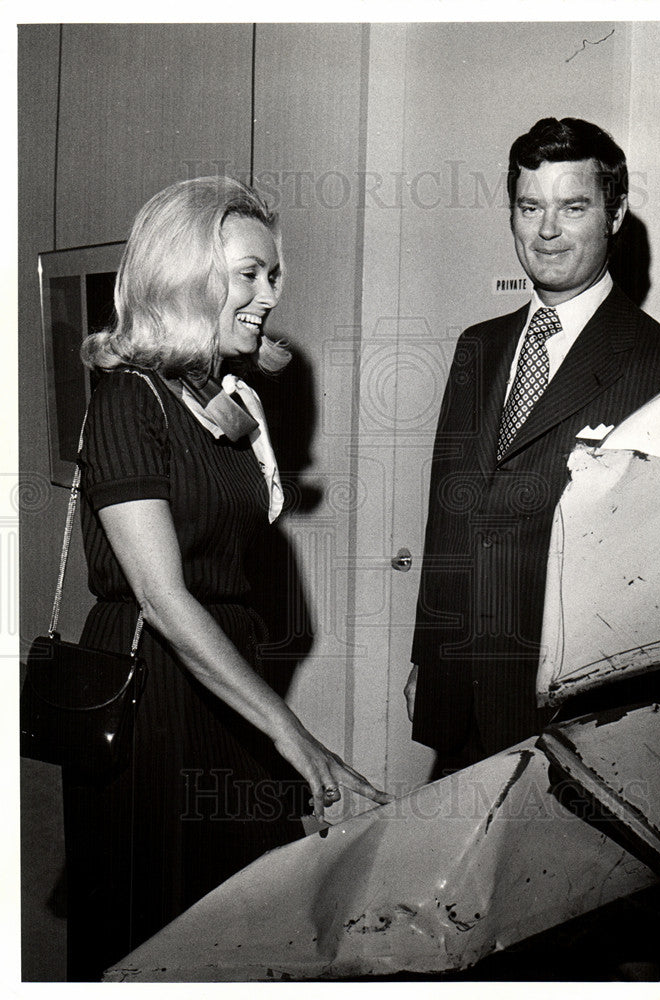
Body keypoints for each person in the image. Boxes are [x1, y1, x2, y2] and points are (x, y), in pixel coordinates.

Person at [64, 176, 390, 981]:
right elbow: (162, 595)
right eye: (249, 274)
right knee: (162, 923)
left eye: (272, 276)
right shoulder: (125, 402)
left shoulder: (215, 398)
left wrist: (242, 422)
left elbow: (248, 513)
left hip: (223, 676)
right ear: (185, 274)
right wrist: (293, 734)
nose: (269, 294)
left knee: (240, 913)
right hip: (158, 689)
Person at [405, 117, 660, 772]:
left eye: (572, 207)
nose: (545, 231)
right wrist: (429, 657)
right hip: (460, 704)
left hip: (577, 720)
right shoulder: (475, 347)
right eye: (529, 206)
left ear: (614, 214)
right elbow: (447, 516)